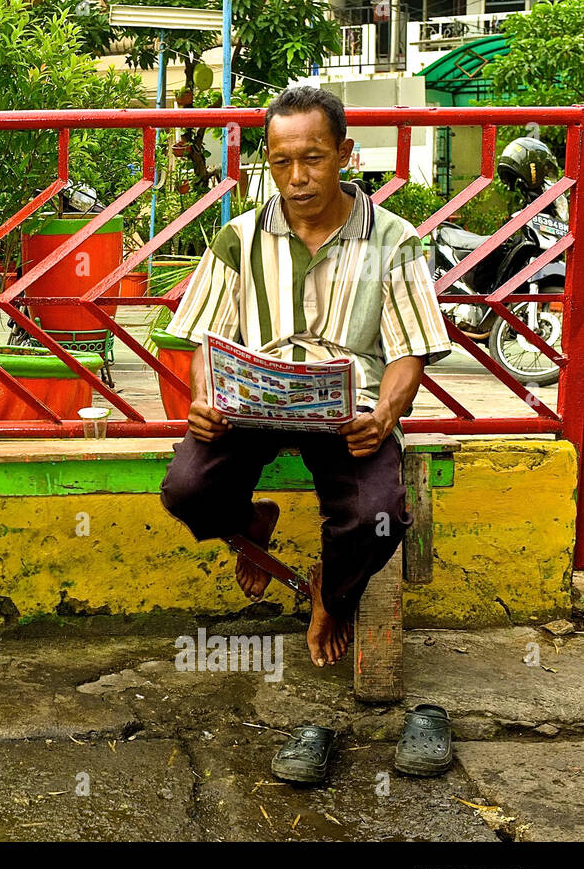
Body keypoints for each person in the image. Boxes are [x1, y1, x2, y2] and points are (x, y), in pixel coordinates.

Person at [159, 85, 450, 669]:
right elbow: (202, 338)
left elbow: (411, 350)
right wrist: (202, 399)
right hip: (254, 403)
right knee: (186, 491)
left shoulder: (394, 240)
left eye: (312, 158)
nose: (296, 177)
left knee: (375, 517)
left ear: (344, 154)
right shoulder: (237, 238)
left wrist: (384, 416)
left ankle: (333, 596)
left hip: (350, 410)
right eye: (281, 161)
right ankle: (251, 521)